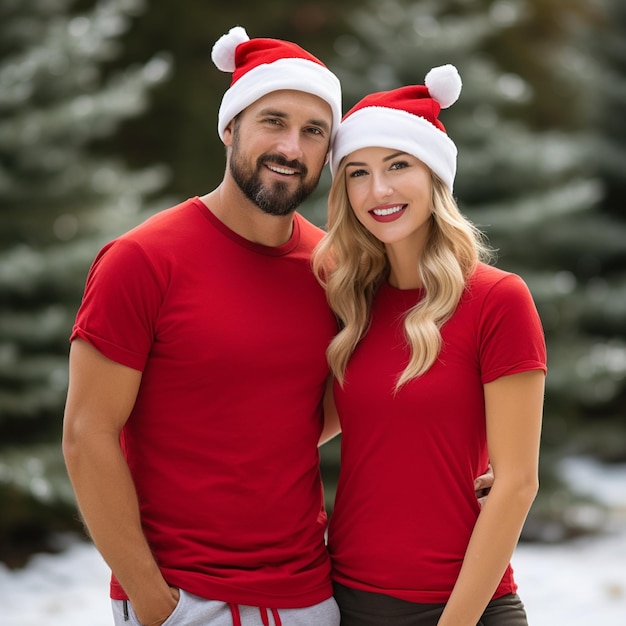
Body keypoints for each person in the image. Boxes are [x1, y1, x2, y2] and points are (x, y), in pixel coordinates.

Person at [62, 26, 344, 626]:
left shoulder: (333, 270)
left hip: (309, 594)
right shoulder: (142, 260)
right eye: (273, 121)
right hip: (184, 597)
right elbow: (87, 436)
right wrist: (151, 598)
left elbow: (339, 406)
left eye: (313, 131)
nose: (291, 148)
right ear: (229, 128)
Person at [312, 65, 547, 625]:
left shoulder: (498, 300)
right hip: (348, 602)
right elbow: (297, 430)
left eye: (399, 165)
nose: (379, 190)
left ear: (435, 176)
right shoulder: (352, 303)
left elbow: (516, 483)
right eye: (358, 173)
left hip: (469, 609)